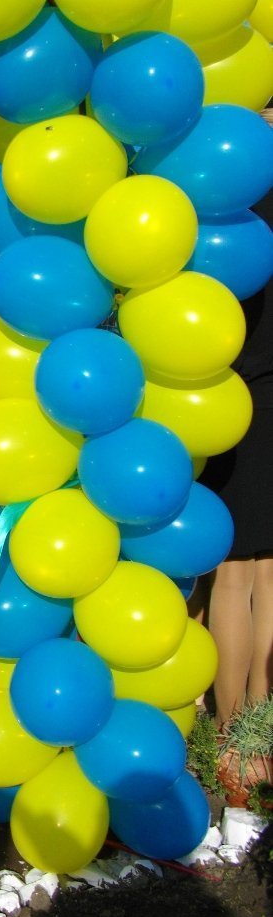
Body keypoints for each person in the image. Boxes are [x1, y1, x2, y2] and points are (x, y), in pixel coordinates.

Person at [203, 277, 273, 727]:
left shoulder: (227, 246)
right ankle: (260, 724)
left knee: (233, 577)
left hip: (232, 410)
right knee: (269, 575)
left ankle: (231, 730)